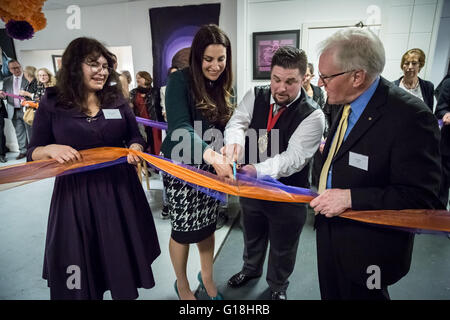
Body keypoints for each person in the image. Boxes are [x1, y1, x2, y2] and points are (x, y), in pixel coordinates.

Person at [310, 28, 443, 300]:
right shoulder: (343, 99)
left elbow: (422, 197)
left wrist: (351, 197)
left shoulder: (411, 117)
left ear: (357, 76)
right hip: (330, 231)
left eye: (326, 77)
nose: (320, 84)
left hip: (370, 246)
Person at [26, 37, 161, 299]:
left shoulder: (116, 100)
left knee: (120, 260)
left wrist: (135, 148)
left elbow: (135, 136)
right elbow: (32, 152)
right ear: (75, 66)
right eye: (93, 64)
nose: (102, 71)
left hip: (119, 192)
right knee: (82, 268)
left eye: (105, 65)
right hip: (76, 196)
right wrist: (49, 149)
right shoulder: (52, 102)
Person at [222, 46, 325, 300]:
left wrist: (255, 170)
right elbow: (237, 122)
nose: (280, 88)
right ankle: (250, 270)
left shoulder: (313, 115)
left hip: (287, 195)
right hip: (252, 191)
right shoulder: (255, 95)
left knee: (283, 244)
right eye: (276, 80)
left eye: (290, 82)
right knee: (252, 234)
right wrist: (233, 144)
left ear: (304, 78)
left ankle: (278, 285)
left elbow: (293, 159)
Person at [160, 24, 234, 300]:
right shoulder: (180, 81)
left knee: (207, 224)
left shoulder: (223, 84)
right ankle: (181, 284)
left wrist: (229, 146)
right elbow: (180, 128)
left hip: (211, 164)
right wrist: (214, 156)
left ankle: (207, 278)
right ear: (197, 57)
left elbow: (226, 125)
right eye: (208, 59)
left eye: (221, 59)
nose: (215, 66)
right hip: (181, 165)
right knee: (182, 230)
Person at [0, 59, 30, 159]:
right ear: (9, 70)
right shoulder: (6, 80)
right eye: (13, 68)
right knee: (19, 132)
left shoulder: (28, 78)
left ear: (20, 66)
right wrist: (2, 95)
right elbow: (4, 94)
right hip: (13, 110)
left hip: (26, 110)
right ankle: (23, 151)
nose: (16, 70)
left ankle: (33, 150)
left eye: (18, 67)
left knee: (31, 131)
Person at [129, 71, 162, 156]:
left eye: (139, 77)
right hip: (140, 124)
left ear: (146, 78)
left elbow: (160, 106)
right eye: (136, 78)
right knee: (144, 144)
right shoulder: (133, 92)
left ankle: (156, 164)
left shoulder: (156, 91)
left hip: (154, 122)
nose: (137, 80)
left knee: (156, 145)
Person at [435, 77, 450, 209]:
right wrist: (446, 114)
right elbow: (440, 110)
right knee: (442, 187)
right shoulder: (448, 83)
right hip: (447, 147)